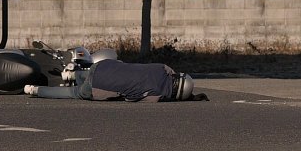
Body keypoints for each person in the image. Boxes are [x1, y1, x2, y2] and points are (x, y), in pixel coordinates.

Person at [24, 59, 208, 102]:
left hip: (103, 64)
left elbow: (167, 68)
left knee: (102, 71)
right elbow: (131, 98)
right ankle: (34, 90)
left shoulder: (161, 68)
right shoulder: (157, 95)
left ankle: (71, 75)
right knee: (74, 93)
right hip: (100, 86)